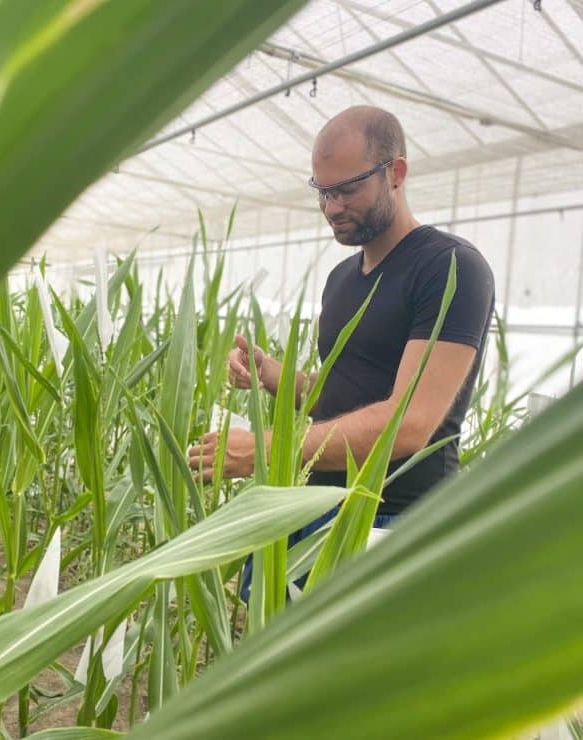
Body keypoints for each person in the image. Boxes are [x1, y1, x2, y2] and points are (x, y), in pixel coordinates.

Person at [188, 105, 495, 528]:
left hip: (397, 521)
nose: (332, 208)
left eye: (347, 190)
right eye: (323, 192)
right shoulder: (341, 279)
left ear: (396, 173)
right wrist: (270, 373)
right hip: (318, 506)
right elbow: (343, 397)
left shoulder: (449, 268)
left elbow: (408, 422)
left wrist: (265, 449)